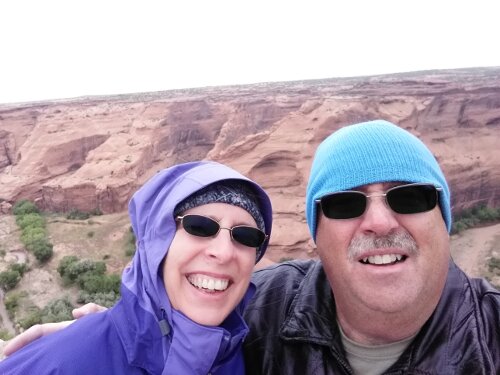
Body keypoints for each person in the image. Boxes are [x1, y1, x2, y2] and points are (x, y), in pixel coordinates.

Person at [4, 120, 500, 374]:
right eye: (346, 204)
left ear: (445, 217)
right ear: (316, 235)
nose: (378, 221)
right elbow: (169, 320)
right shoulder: (263, 313)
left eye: (410, 196)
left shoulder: (491, 336)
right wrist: (96, 336)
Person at [0, 160, 272, 374]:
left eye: (246, 236)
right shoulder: (62, 364)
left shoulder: (245, 357)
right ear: (157, 242)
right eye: (199, 226)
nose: (223, 252)